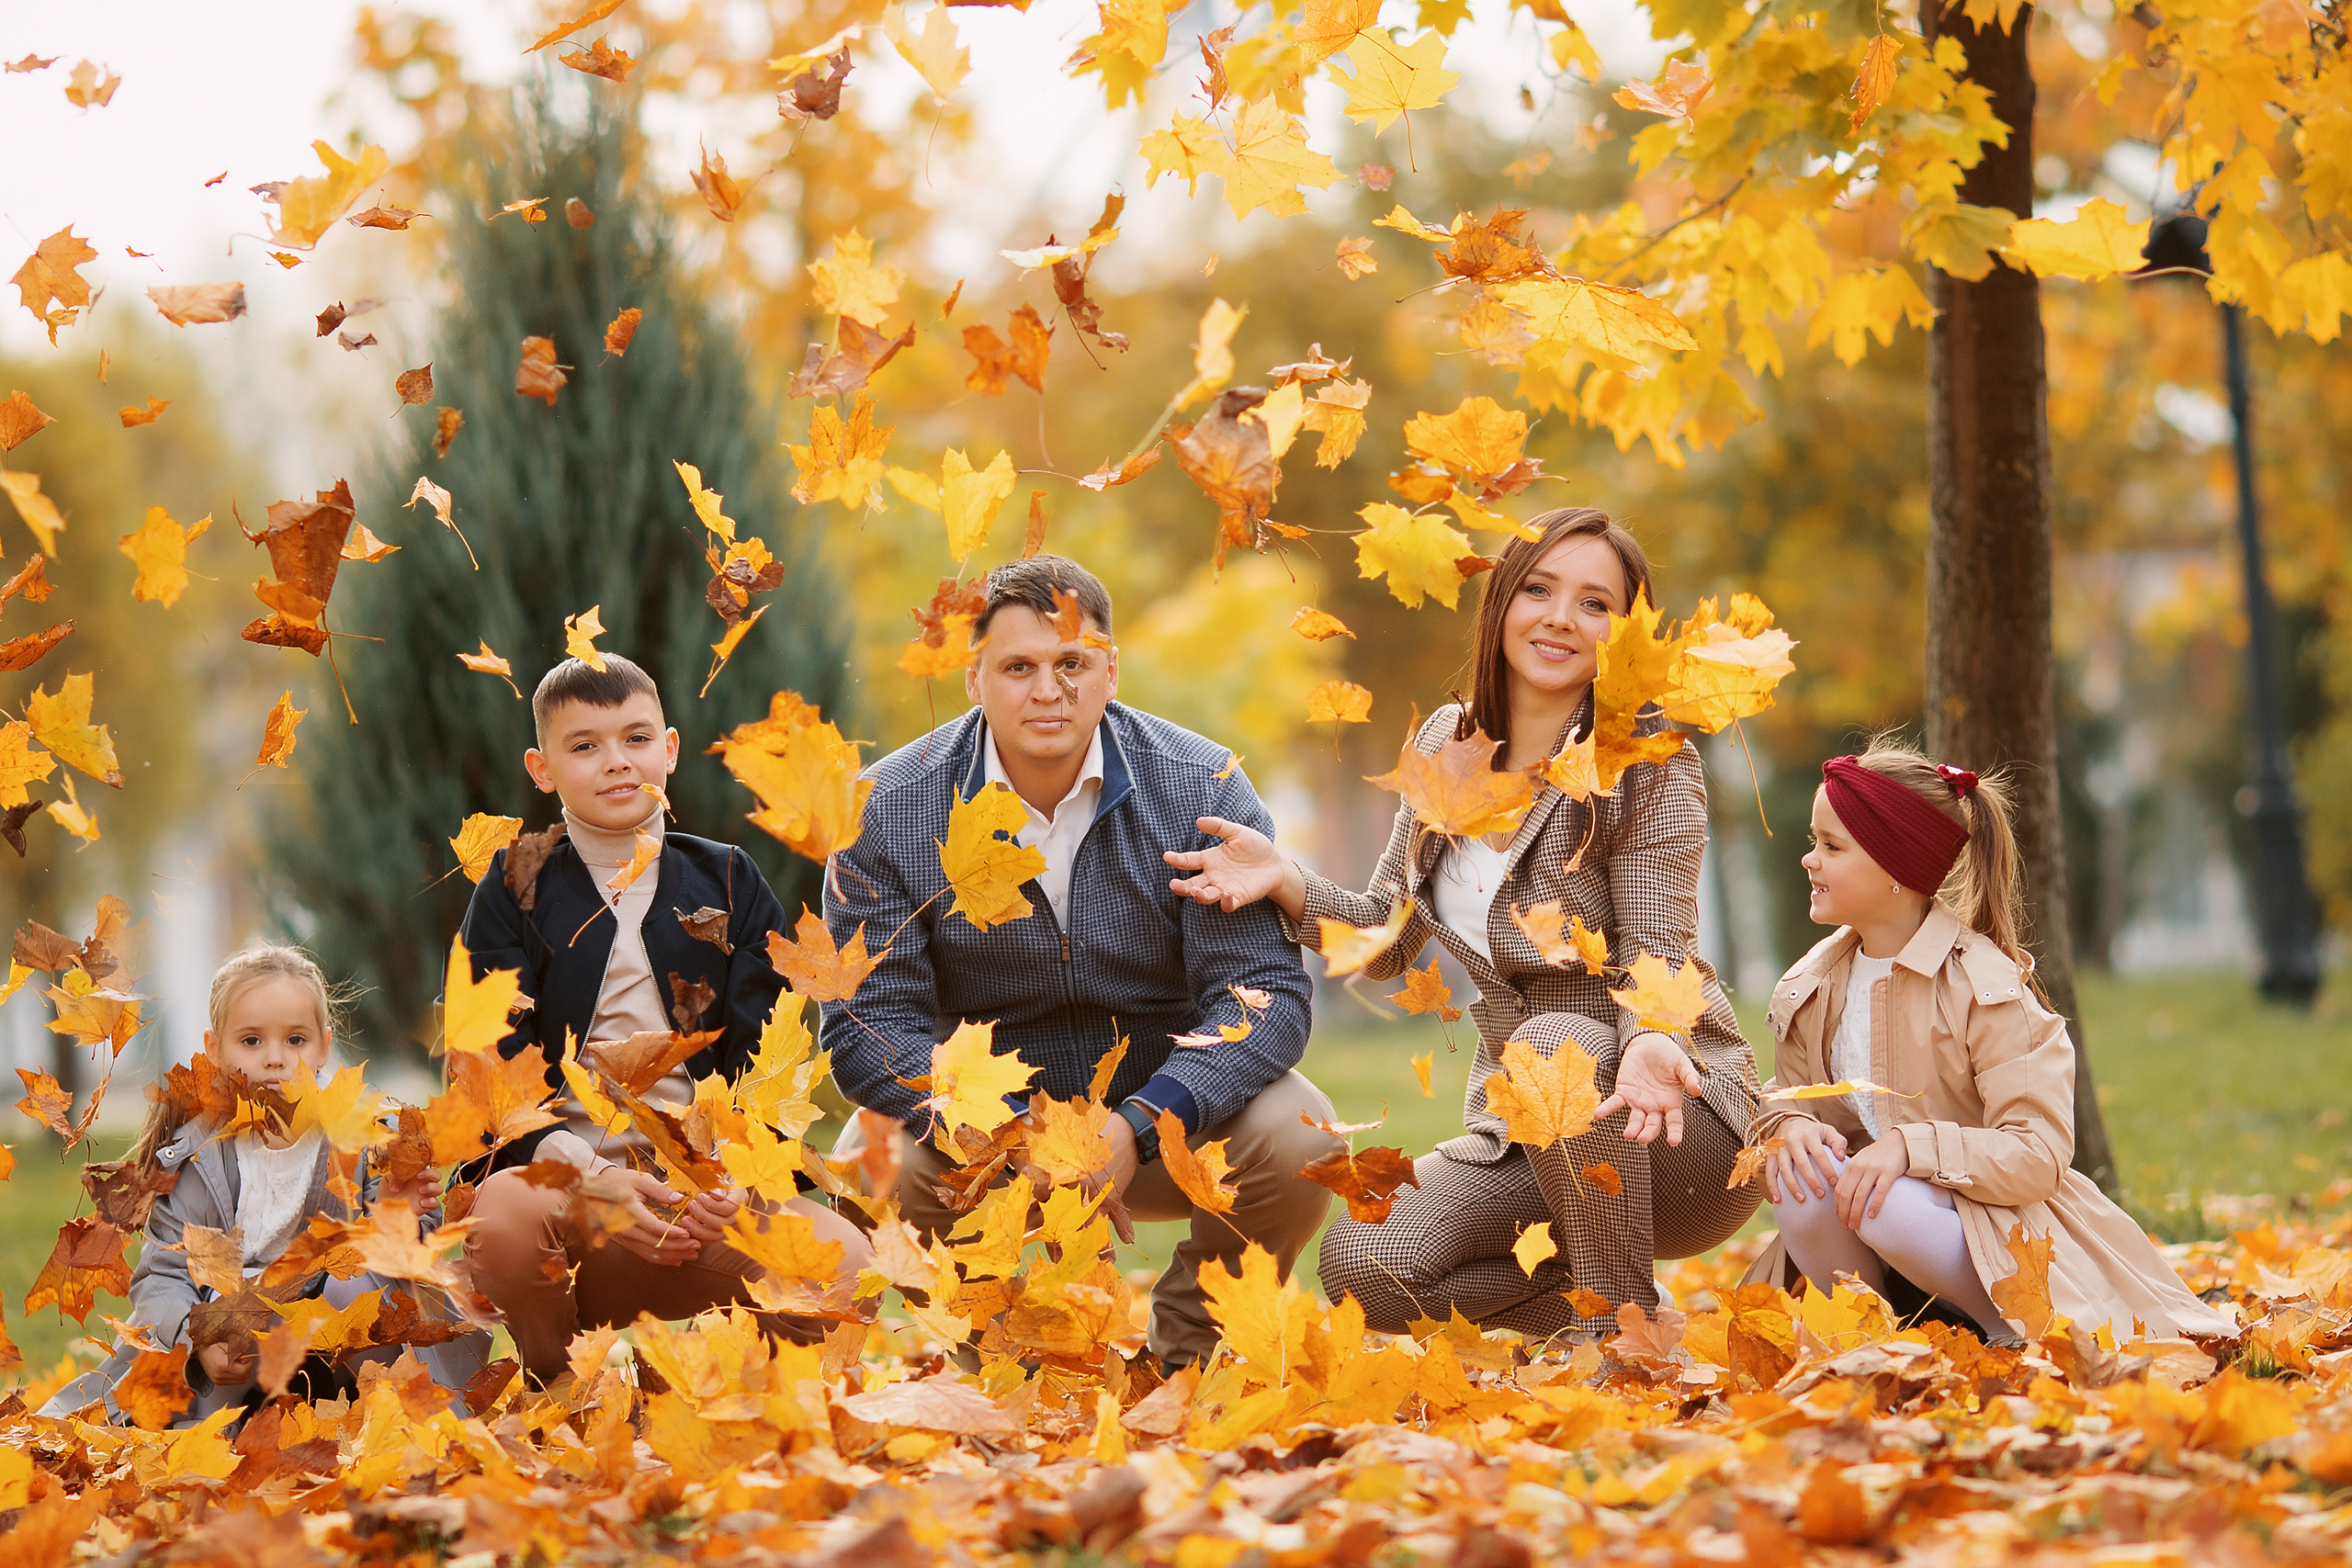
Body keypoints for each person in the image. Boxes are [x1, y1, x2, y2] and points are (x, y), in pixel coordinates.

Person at [1164, 507, 1762, 1337]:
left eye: (1595, 604)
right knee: (1365, 1265)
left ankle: (1620, 1340)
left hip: (1667, 1113)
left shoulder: (1646, 759)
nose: (1559, 617)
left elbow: (1660, 947)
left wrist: (1655, 1035)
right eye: (1540, 588)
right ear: (1503, 601)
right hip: (1523, 1123)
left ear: (1623, 635)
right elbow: (1387, 932)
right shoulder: (1451, 740)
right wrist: (1284, 877)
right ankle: (1599, 1308)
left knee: (1556, 1041)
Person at [821, 555, 1340, 1370]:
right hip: (986, 1139)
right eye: (1019, 666)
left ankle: (1191, 1339)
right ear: (974, 679)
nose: (1048, 689)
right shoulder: (889, 809)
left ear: (1110, 670)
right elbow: (867, 1025)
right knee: (872, 1147)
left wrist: (1136, 1125)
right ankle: (992, 1362)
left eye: (1073, 663)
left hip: (1167, 1126)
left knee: (1304, 1130)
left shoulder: (1199, 785)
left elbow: (1260, 998)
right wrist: (1019, 1132)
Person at [454, 653, 869, 1388]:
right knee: (501, 1218)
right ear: (542, 767)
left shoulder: (730, 880)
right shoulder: (514, 884)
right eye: (584, 746)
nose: (616, 762)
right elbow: (489, 1068)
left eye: (636, 739)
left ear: (670, 750)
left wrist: (741, 1177)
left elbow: (769, 1057)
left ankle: (711, 1397)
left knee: (846, 1263)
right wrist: (591, 1174)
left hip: (707, 1196)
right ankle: (562, 1387)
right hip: (567, 1189)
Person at [1742, 741, 2234, 1341]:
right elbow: (1788, 1096)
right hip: (1877, 1239)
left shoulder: (1982, 987)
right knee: (1803, 1179)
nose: (1808, 859)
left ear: (1897, 867)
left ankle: (2005, 1329)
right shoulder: (1811, 984)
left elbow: (2039, 1153)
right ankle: (1873, 1339)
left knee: (1886, 1198)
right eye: (1815, 841)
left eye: (1831, 846)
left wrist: (1911, 1147)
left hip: (1990, 1236)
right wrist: (1788, 1125)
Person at [41, 947, 456, 1423]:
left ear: (324, 1045)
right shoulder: (200, 1156)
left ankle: (364, 1416)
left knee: (354, 1292)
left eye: (296, 1040)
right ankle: (230, 1429)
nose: (275, 1059)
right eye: (252, 1041)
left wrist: (390, 1221)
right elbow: (165, 1277)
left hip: (335, 1340)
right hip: (238, 1342)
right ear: (215, 1049)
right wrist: (197, 1335)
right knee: (226, 1319)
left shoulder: (365, 1138)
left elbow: (417, 1269)